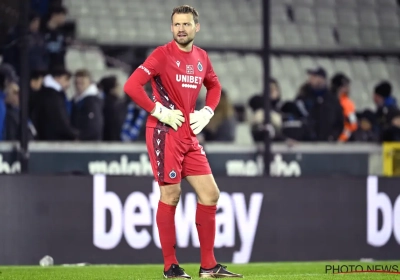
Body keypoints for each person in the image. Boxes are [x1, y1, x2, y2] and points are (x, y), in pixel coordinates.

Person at [124, 5, 242, 279]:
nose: (181, 29)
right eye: (176, 24)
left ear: (196, 28)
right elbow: (131, 86)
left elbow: (214, 86)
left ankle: (209, 267)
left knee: (211, 195)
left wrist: (208, 111)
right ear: (171, 27)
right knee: (171, 195)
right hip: (164, 132)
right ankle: (170, 267)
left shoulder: (201, 57)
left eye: (186, 24)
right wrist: (158, 110)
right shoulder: (162, 54)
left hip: (188, 133)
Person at [71, 69, 103, 141]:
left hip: (89, 144)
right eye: (76, 83)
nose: (79, 86)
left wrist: (80, 137)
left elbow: (94, 126)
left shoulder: (93, 101)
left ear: (89, 83)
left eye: (82, 83)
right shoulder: (75, 100)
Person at [330, 73, 358, 142]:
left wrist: (342, 138)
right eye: (346, 86)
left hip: (343, 140)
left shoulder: (348, 103)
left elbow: (353, 124)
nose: (348, 88)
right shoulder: (328, 101)